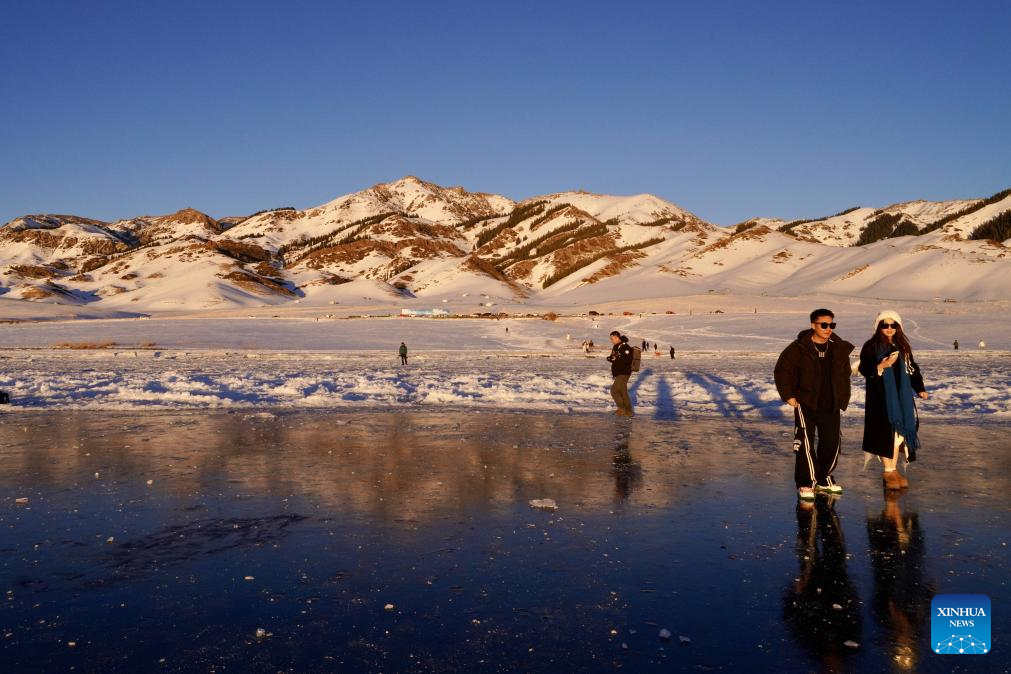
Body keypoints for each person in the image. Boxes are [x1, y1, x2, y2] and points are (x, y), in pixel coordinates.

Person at [775, 309, 854, 501]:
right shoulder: (798, 348)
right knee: (805, 444)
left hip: (831, 403)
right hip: (806, 403)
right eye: (824, 325)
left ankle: (823, 478)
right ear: (813, 325)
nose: (828, 329)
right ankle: (805, 482)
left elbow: (845, 373)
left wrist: (843, 394)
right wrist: (789, 396)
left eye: (831, 325)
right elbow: (782, 371)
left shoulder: (838, 347)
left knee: (832, 443)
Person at [858, 311, 928, 490]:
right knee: (886, 435)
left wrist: (919, 388)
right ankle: (888, 471)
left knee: (898, 437)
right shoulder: (871, 346)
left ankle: (893, 469)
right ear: (878, 327)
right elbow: (865, 368)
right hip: (881, 400)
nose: (889, 329)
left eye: (893, 325)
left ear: (898, 327)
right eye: (885, 325)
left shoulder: (902, 347)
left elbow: (912, 369)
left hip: (901, 398)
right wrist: (881, 366)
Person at [607, 331, 634, 417]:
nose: (611, 340)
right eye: (611, 339)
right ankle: (628, 412)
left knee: (614, 391)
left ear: (617, 337)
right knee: (623, 392)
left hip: (624, 372)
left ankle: (621, 409)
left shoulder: (625, 347)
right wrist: (611, 358)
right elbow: (615, 357)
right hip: (619, 372)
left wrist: (616, 359)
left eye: (612, 339)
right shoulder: (616, 346)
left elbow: (627, 360)